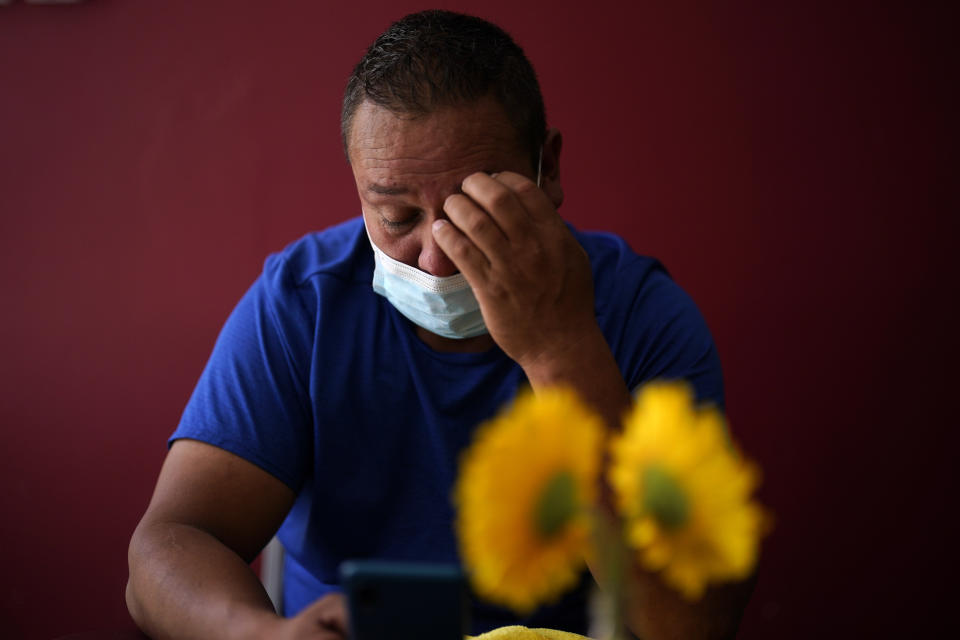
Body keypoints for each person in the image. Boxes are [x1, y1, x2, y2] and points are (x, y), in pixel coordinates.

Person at [126, 9, 750, 640]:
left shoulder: (641, 315)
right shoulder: (303, 305)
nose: (436, 254)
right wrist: (263, 635)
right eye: (396, 216)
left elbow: (692, 622)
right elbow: (170, 546)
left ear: (547, 169)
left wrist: (558, 348)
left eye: (474, 205)